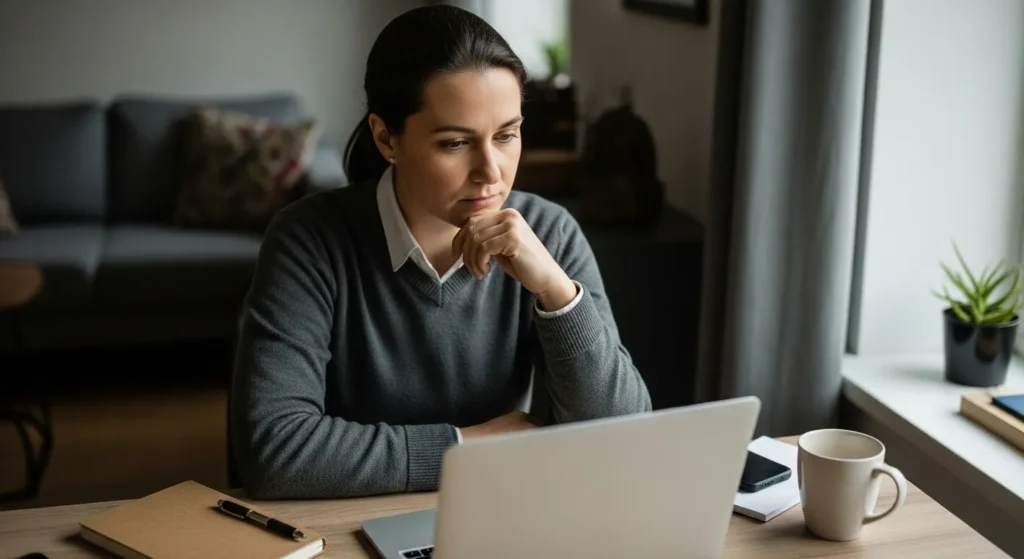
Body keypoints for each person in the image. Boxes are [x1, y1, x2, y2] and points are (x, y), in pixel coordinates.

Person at [231, 4, 651, 500]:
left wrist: (557, 292)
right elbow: (274, 449)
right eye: (455, 143)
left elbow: (623, 435)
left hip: (498, 510)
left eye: (507, 135)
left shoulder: (550, 233)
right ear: (386, 138)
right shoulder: (308, 241)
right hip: (349, 519)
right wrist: (465, 448)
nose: (491, 172)